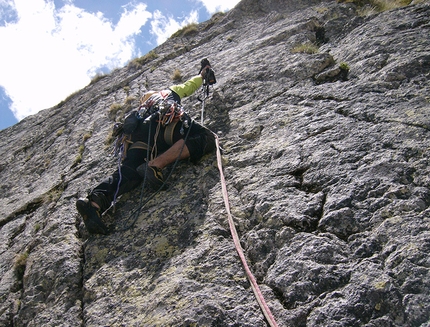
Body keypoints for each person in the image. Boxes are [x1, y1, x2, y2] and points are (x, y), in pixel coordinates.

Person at [76, 59, 216, 235]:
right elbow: (189, 85)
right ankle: (155, 166)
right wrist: (203, 74)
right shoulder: (168, 93)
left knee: (129, 172)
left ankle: (94, 203)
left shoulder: (140, 109)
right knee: (205, 137)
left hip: (138, 138)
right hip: (164, 122)